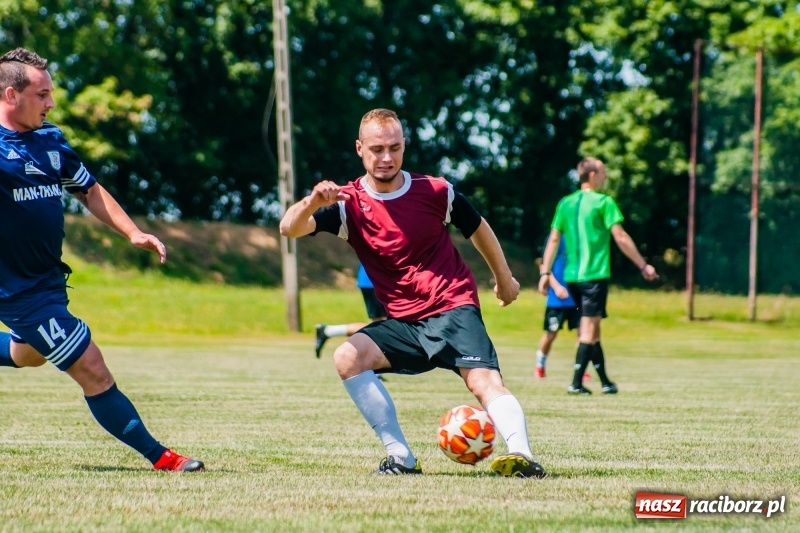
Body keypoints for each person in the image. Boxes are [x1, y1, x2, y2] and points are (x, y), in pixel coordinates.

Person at [280, 108, 546, 478]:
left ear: (404, 146)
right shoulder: (346, 203)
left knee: (483, 382)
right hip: (404, 322)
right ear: (360, 149)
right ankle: (400, 457)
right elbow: (288, 228)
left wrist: (504, 279)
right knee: (347, 357)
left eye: (394, 147)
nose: (386, 157)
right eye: (376, 149)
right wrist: (313, 202)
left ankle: (521, 456)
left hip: (452, 305)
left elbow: (478, 227)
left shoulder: (436, 190)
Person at [0, 48, 204, 471]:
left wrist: (133, 232)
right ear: (10, 95)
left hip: (48, 281)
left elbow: (89, 190)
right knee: (91, 366)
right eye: (42, 94)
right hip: (17, 290)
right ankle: (162, 458)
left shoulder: (51, 140)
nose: (51, 102)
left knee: (30, 354)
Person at [538, 157, 658, 395]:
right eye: (603, 172)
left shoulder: (565, 203)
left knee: (593, 330)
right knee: (589, 331)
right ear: (592, 175)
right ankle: (576, 383)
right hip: (594, 276)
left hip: (572, 278)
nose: (606, 177)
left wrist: (545, 272)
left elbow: (553, 239)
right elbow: (621, 237)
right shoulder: (604, 202)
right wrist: (643, 266)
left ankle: (605, 381)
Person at [314, 262, 387, 358]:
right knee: (383, 327)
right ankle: (373, 365)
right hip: (375, 280)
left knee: (384, 326)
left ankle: (329, 331)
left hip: (378, 279)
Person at [534, 238, 580, 379]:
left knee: (583, 334)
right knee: (551, 334)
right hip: (557, 300)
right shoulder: (556, 237)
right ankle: (540, 365)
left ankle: (580, 368)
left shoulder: (580, 235)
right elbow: (544, 265)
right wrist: (556, 286)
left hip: (577, 297)